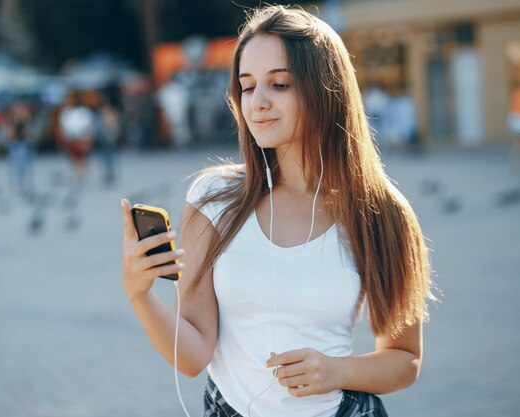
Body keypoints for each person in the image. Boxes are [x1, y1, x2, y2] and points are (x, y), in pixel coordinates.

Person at [120, 5, 436, 417]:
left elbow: (404, 358)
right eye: (247, 86)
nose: (258, 103)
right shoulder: (214, 199)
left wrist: (336, 370)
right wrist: (139, 294)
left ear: (326, 88)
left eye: (280, 84)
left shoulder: (381, 213)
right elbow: (193, 356)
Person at [58, 90, 95, 183]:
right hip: (70, 138)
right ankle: (76, 175)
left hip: (81, 137)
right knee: (72, 157)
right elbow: (64, 125)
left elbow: (87, 124)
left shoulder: (83, 111)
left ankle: (81, 175)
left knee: (81, 157)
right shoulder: (65, 112)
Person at [4, 101, 35, 192]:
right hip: (15, 145)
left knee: (25, 166)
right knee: (15, 166)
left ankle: (26, 184)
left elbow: (31, 135)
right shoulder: (11, 121)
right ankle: (16, 185)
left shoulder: (27, 121)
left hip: (25, 145)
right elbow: (9, 135)